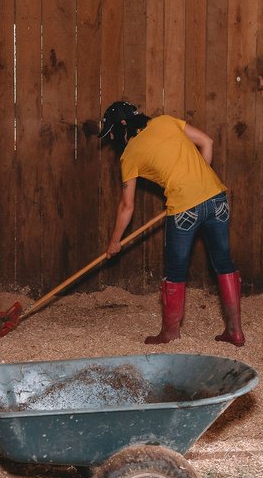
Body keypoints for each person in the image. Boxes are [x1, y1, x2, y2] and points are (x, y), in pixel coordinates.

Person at [99, 100, 245, 347]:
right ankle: (235, 331)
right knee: (223, 263)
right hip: (217, 198)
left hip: (185, 208)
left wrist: (115, 241)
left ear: (122, 125)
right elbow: (207, 142)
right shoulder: (165, 121)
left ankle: (169, 333)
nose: (112, 138)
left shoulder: (130, 154)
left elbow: (127, 206)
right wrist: (198, 183)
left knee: (176, 270)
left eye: (112, 132)